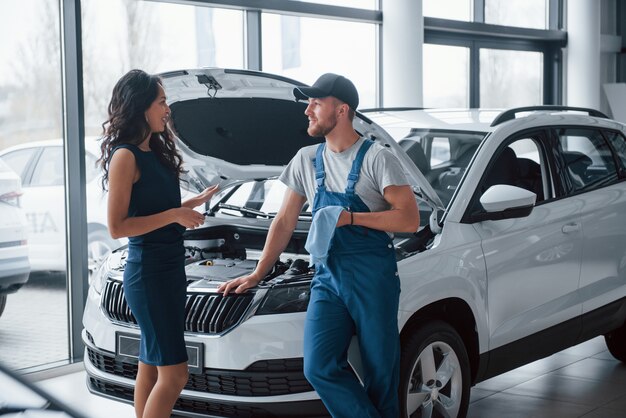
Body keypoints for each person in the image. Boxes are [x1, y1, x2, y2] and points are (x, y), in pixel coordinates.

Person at [218, 73, 420, 417]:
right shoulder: (306, 159)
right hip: (327, 276)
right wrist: (257, 273)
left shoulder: (377, 158)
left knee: (381, 373)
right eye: (308, 103)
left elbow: (408, 220)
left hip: (372, 273)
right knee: (319, 366)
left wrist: (352, 219)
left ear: (341, 111)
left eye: (316, 102)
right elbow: (284, 221)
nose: (307, 110)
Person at [98, 69, 218, 418]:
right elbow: (117, 227)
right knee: (176, 374)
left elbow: (154, 209)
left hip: (168, 272)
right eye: (162, 102)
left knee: (150, 366)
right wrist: (173, 216)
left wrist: (188, 206)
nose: (168, 109)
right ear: (141, 107)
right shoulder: (126, 157)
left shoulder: (154, 151)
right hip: (148, 275)